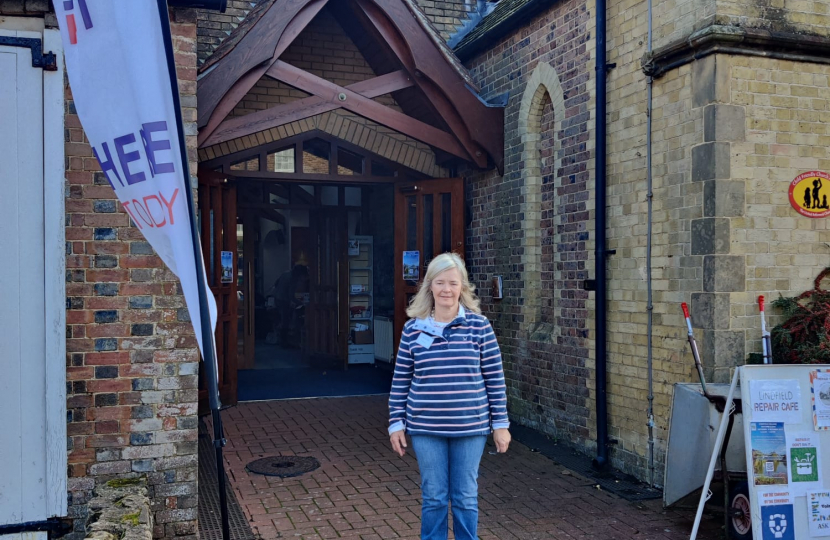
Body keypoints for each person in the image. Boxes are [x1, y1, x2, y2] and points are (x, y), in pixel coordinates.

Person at [388, 252, 510, 540]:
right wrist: (396, 423)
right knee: (434, 497)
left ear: (462, 288)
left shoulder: (480, 327)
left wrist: (500, 424)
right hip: (426, 428)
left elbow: (494, 378)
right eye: (440, 282)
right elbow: (401, 380)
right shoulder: (413, 329)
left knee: (466, 496)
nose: (446, 289)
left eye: (453, 283)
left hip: (470, 427)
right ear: (429, 286)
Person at [266, 264, 308, 346]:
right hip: (283, 299)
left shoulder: (286, 273)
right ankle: (284, 342)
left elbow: (276, 283)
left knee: (283, 319)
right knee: (285, 320)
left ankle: (283, 340)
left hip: (277, 297)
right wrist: (301, 303)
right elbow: (291, 295)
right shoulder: (293, 278)